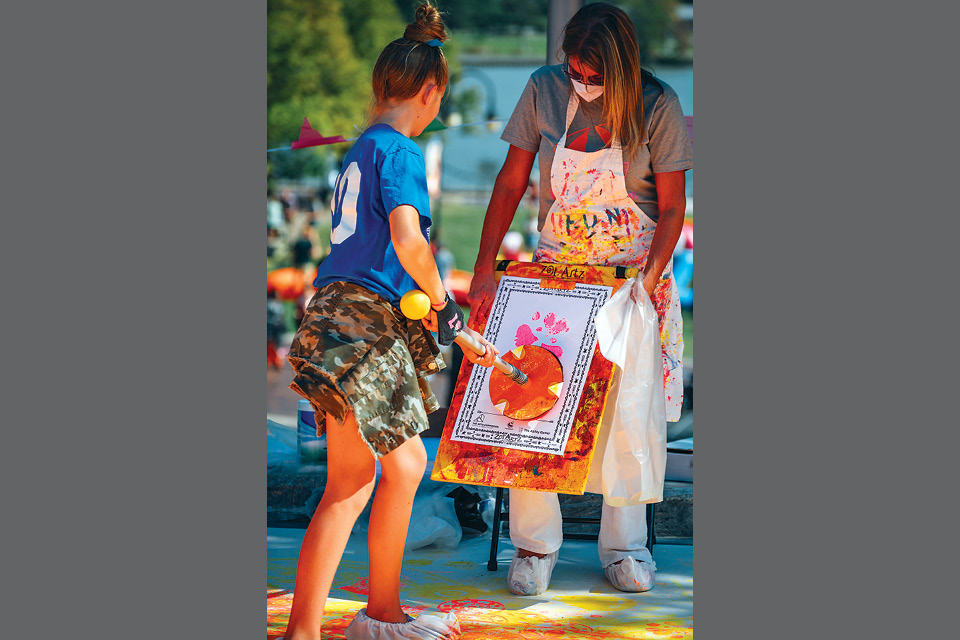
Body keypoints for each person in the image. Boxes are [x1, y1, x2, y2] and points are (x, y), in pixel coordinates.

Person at [281, 4, 498, 639]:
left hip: (332, 316)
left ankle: (374, 613)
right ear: (431, 92)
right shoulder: (400, 152)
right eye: (439, 99)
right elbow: (409, 241)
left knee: (380, 473)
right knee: (369, 477)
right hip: (363, 325)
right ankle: (342, 623)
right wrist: (450, 312)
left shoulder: (360, 149)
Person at [466, 2, 692, 597]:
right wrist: (484, 268)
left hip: (631, 280)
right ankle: (534, 547)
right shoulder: (542, 90)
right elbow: (512, 181)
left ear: (621, 71)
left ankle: (625, 547)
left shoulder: (659, 104)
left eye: (594, 76)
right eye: (575, 72)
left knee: (626, 415)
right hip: (556, 279)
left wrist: (645, 281)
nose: (582, 84)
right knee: (531, 408)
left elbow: (672, 208)